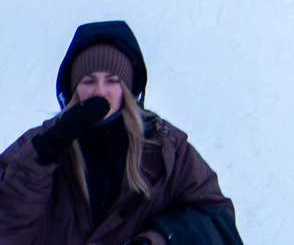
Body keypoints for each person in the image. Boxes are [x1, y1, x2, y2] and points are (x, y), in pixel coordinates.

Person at [0, 21, 237, 245]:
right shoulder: (38, 144)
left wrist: (156, 240)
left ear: (128, 89)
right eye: (88, 81)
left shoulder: (165, 147)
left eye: (112, 80)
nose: (100, 91)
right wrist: (41, 158)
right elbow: (7, 230)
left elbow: (216, 218)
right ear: (73, 89)